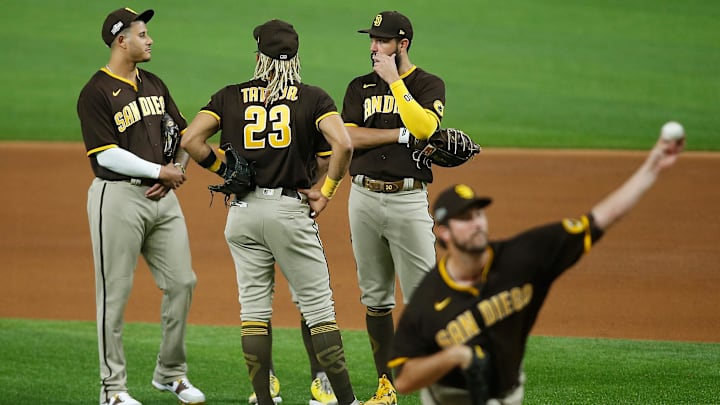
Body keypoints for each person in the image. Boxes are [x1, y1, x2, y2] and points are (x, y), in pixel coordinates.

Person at [388, 132, 686, 404]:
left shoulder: (523, 258)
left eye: (479, 214)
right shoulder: (429, 298)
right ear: (444, 233)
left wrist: (654, 166)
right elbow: (403, 378)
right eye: (465, 219)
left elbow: (599, 219)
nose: (477, 224)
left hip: (508, 396)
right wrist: (454, 357)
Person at [180, 19, 360, 405]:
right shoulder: (313, 98)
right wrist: (325, 191)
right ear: (295, 58)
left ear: (258, 55)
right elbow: (342, 144)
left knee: (254, 312)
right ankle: (347, 402)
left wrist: (224, 170)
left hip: (242, 214)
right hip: (289, 211)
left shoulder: (229, 96)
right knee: (319, 311)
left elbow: (191, 140)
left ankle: (264, 400)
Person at [77, 7, 205, 405]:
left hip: (162, 199)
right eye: (143, 34)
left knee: (182, 282)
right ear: (122, 40)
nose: (149, 41)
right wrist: (160, 171)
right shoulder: (96, 92)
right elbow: (106, 155)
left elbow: (183, 134)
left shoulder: (154, 83)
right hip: (117, 198)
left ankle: (170, 374)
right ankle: (112, 390)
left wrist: (177, 172)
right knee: (114, 294)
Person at [340, 10, 446, 405]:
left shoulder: (428, 84)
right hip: (363, 198)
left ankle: (435, 384)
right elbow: (347, 136)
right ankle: (387, 386)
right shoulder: (358, 87)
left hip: (408, 200)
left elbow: (425, 129)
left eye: (382, 41)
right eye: (371, 39)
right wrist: (397, 135)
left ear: (402, 45)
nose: (373, 47)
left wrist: (396, 84)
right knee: (376, 298)